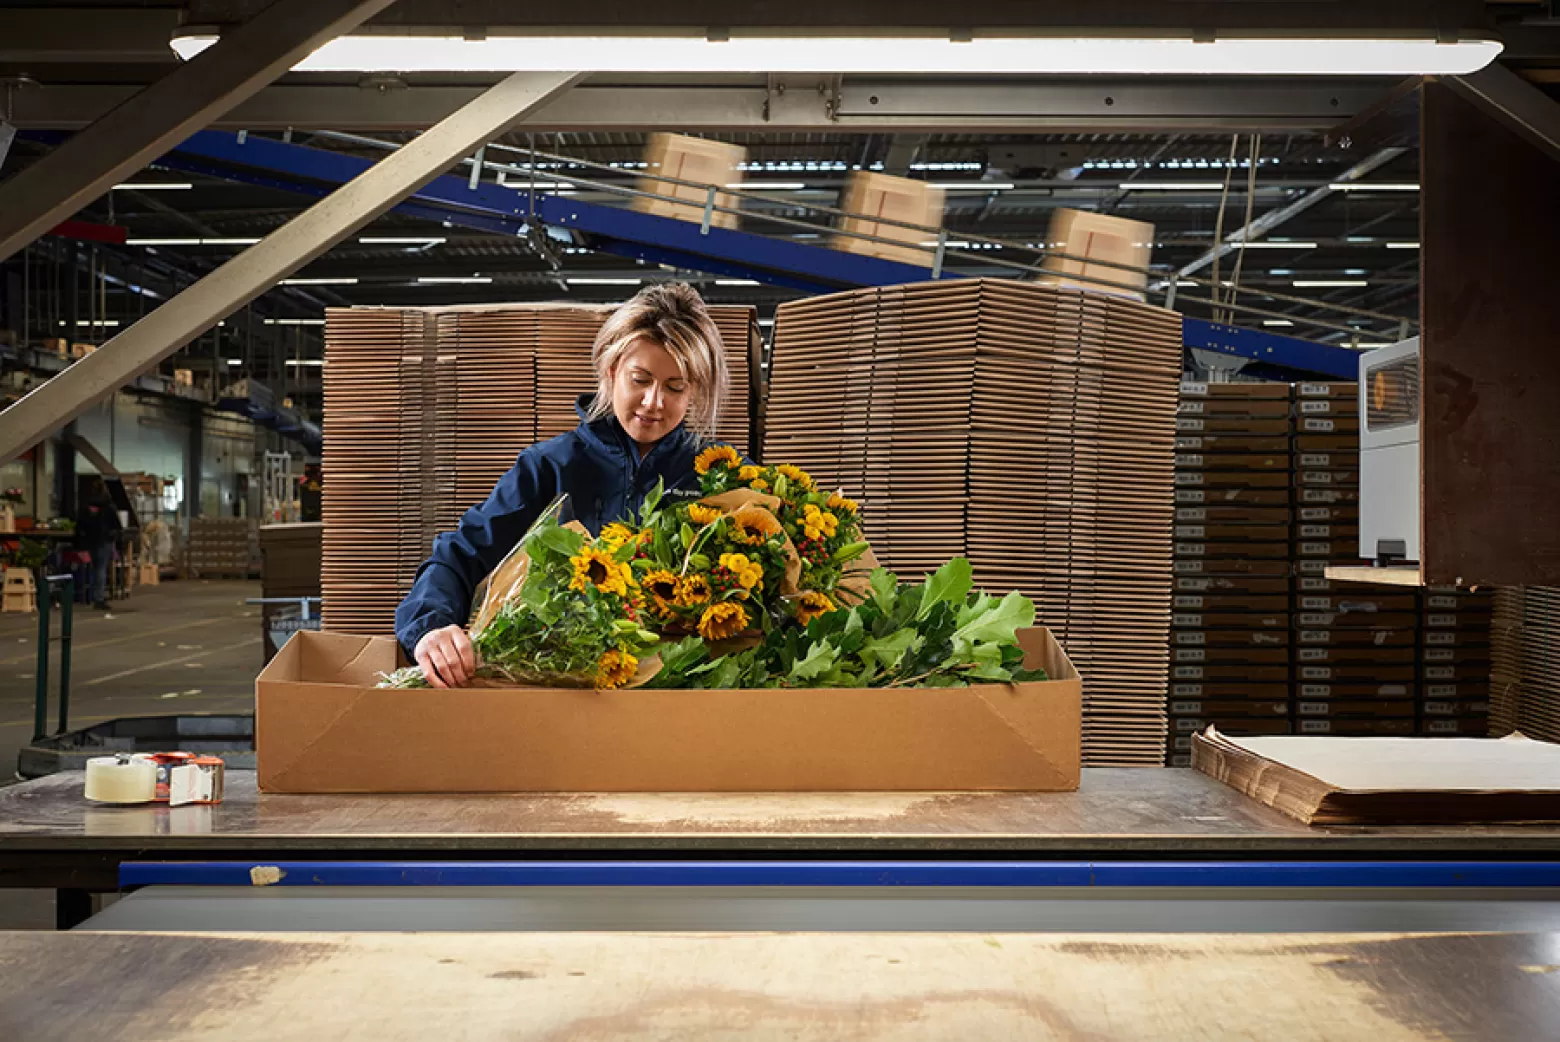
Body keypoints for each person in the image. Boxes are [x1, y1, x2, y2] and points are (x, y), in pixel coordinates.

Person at [395, 283, 731, 688]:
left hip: (682, 696)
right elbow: (460, 555)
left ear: (693, 390)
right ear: (611, 372)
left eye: (675, 387)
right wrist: (430, 627)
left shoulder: (721, 476)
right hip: (562, 694)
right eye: (640, 379)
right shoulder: (550, 466)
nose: (653, 401)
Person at [76, 481, 122, 611]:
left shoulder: (85, 506)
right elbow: (116, 525)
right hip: (104, 540)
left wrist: (81, 542)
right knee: (101, 569)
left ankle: (90, 595)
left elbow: (79, 524)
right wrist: (115, 537)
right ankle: (99, 598)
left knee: (94, 568)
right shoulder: (109, 506)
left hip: (90, 541)